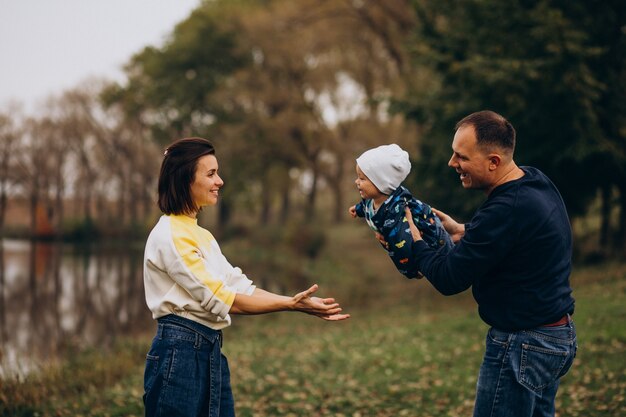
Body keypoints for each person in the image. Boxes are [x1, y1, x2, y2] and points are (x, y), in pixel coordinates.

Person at [142, 137, 350, 417]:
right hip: (179, 355)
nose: (220, 181)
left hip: (209, 348)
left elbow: (238, 286)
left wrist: (293, 300)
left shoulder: (200, 234)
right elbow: (226, 301)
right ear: (184, 180)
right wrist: (289, 305)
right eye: (211, 174)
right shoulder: (171, 236)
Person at [400, 111, 577, 417]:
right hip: (556, 337)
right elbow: (518, 234)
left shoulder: (503, 210)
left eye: (461, 157)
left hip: (522, 345)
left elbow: (448, 278)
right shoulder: (534, 181)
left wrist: (415, 243)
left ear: (493, 161)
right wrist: (464, 230)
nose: (452, 163)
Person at [348, 143, 453, 279]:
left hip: (433, 240)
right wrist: (357, 210)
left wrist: (413, 271)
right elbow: (366, 206)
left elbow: (403, 248)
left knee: (448, 259)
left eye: (362, 178)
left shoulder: (396, 215)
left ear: (381, 183)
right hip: (411, 241)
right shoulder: (372, 199)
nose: (356, 182)